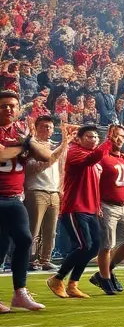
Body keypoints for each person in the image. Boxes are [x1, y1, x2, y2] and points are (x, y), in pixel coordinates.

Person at [0, 90, 54, 311]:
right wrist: (25, 145)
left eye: (13, 105)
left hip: (13, 197)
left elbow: (45, 155)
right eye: (4, 105)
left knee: (24, 240)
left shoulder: (20, 131)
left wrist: (28, 140)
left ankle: (20, 292)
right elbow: (2, 155)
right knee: (1, 245)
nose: (9, 109)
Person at [47, 124, 107, 300]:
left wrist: (97, 206)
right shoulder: (74, 151)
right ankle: (57, 279)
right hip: (75, 207)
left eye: (96, 137)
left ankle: (73, 284)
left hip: (90, 209)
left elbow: (93, 184)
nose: (94, 139)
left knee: (93, 247)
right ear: (79, 139)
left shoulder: (94, 157)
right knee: (83, 245)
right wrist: (108, 143)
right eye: (89, 136)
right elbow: (91, 160)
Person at [91, 130, 124, 294]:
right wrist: (96, 203)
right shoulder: (102, 157)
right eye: (116, 135)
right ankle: (105, 279)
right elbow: (93, 182)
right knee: (106, 245)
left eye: (122, 136)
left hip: (123, 205)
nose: (119, 139)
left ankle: (106, 270)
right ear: (108, 136)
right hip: (106, 204)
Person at [23, 114, 69, 272]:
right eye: (43, 126)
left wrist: (61, 190)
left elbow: (61, 171)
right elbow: (36, 167)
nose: (46, 129)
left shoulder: (55, 146)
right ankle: (30, 260)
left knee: (50, 230)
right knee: (33, 229)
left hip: (53, 191)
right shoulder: (31, 146)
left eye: (49, 127)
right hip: (36, 190)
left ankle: (45, 259)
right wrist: (61, 147)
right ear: (36, 128)